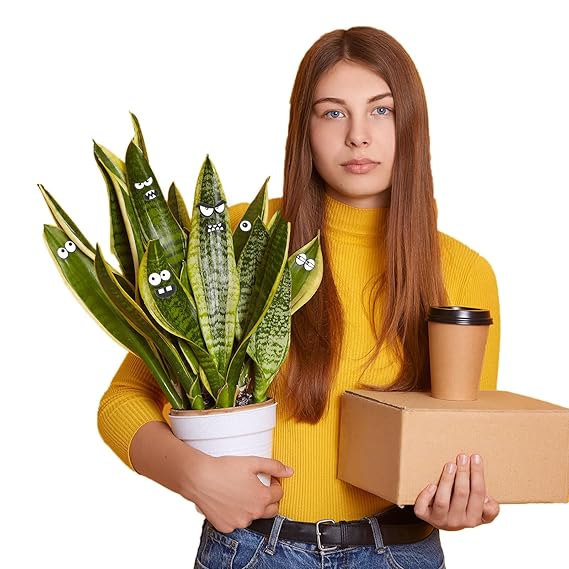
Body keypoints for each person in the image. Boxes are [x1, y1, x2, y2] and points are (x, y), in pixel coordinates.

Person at [98, 26, 501, 568]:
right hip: (253, 550)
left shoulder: (466, 273)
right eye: (332, 113)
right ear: (303, 129)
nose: (358, 135)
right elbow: (123, 399)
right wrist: (194, 477)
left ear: (412, 124)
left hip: (400, 554)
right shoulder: (245, 239)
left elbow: (466, 446)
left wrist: (457, 502)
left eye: (380, 111)